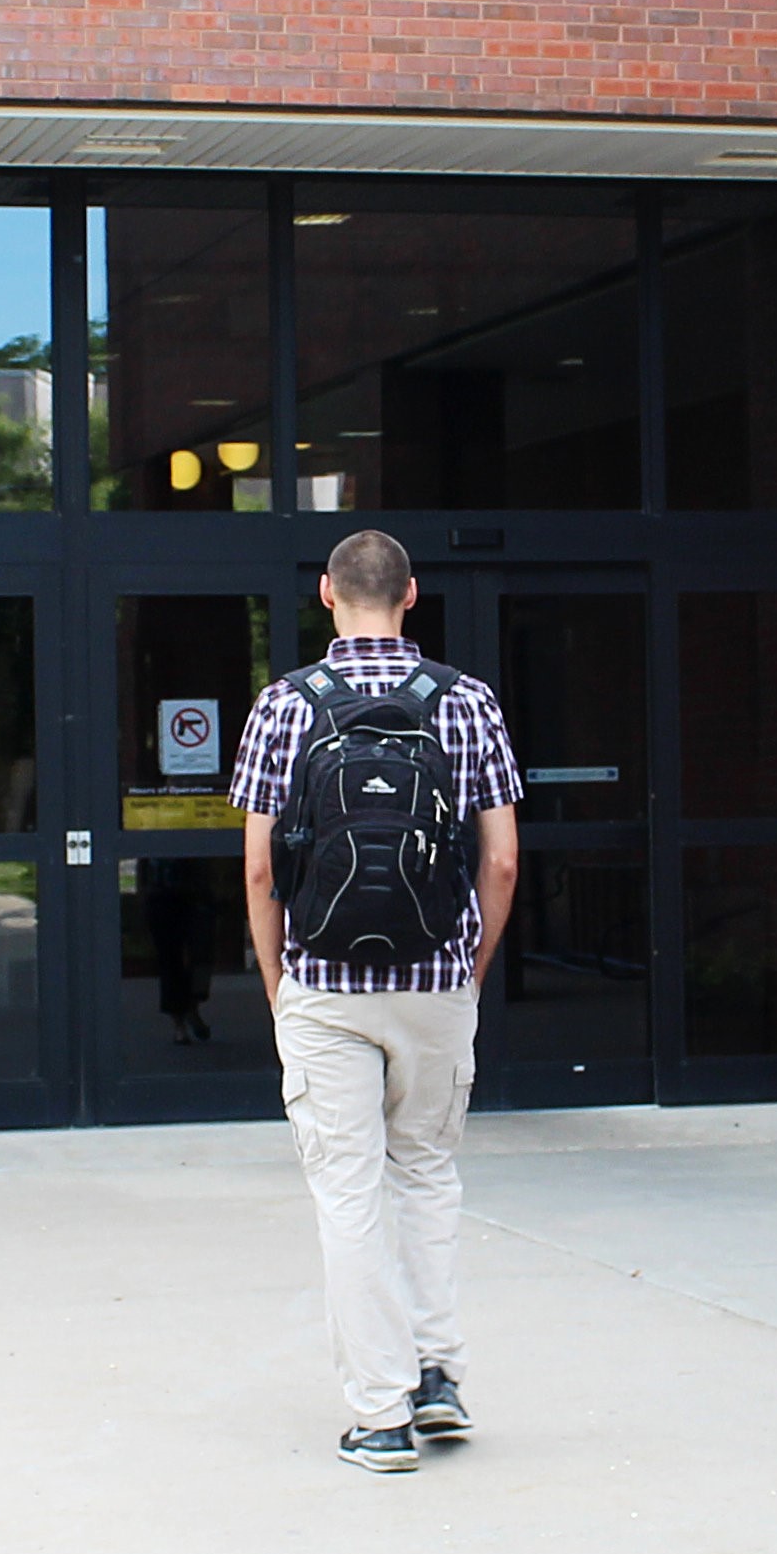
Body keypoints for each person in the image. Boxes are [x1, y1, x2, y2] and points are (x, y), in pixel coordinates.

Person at [235, 529, 521, 1474]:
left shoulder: (285, 705)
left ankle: (380, 1413)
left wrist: (283, 991)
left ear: (326, 594)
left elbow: (260, 866)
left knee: (347, 1196)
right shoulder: (467, 700)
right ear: (412, 595)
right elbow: (503, 858)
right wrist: (466, 973)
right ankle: (439, 1376)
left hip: (325, 989)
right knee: (428, 1177)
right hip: (437, 983)